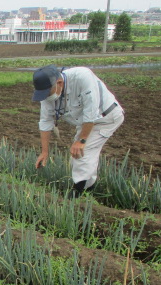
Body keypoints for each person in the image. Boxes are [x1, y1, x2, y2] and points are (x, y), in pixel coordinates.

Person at [32, 65, 125, 198]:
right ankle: (89, 189)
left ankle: (76, 194)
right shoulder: (48, 95)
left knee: (82, 153)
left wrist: (81, 140)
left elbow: (91, 112)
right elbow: (46, 121)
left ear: (59, 83)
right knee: (81, 156)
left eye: (47, 92)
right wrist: (44, 152)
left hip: (106, 118)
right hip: (86, 123)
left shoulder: (82, 77)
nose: (46, 97)